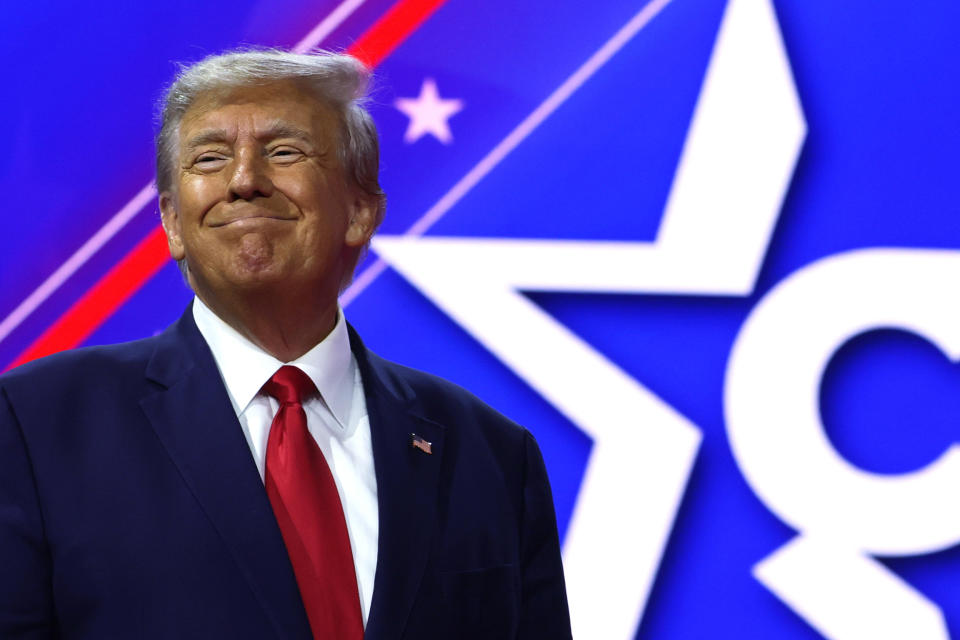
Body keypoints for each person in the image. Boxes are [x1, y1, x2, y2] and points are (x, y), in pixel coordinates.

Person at [0, 49, 571, 639]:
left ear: (359, 210)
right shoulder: (34, 427)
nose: (243, 181)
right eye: (210, 158)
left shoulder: (492, 454)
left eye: (284, 151)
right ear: (172, 222)